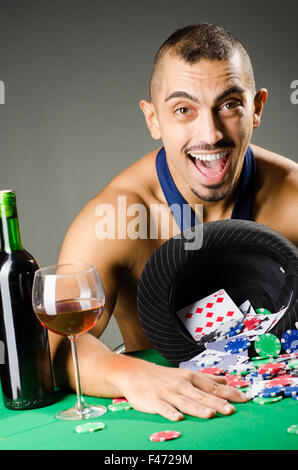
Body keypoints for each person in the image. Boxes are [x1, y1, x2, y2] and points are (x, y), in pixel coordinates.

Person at [51, 23, 298, 421]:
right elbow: (54, 344)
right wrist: (129, 375)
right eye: (183, 110)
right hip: (165, 420)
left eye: (230, 104)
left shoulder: (293, 197)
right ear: (153, 119)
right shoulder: (114, 217)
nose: (210, 133)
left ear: (257, 107)